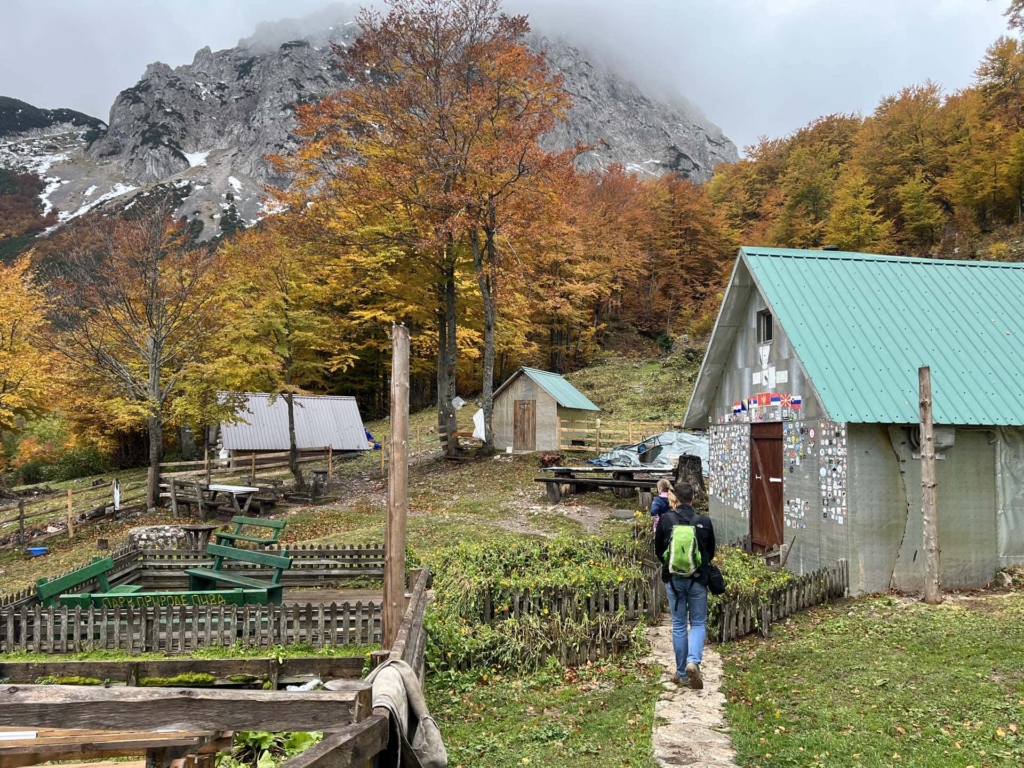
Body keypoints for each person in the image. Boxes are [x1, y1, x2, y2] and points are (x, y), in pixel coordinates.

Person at [654, 481, 716, 689]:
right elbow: (711, 552)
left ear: (676, 498)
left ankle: (681, 673)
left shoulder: (666, 519)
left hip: (674, 580)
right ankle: (693, 661)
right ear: (694, 499)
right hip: (698, 579)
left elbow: (658, 550)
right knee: (698, 623)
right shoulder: (704, 521)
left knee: (679, 624)